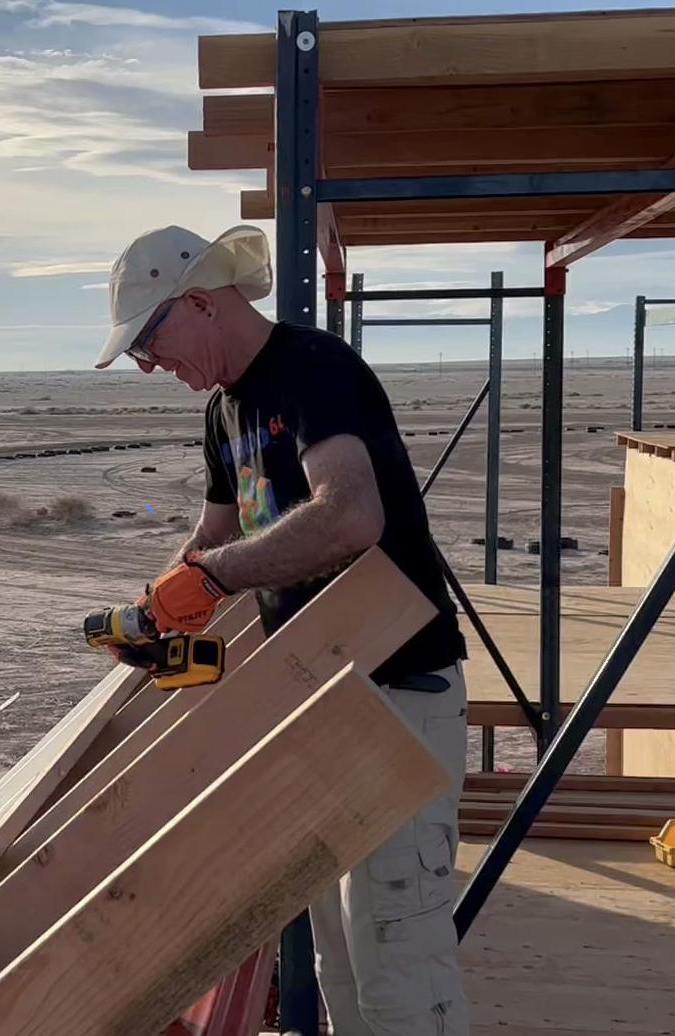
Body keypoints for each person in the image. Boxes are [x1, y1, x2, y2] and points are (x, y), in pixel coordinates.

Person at [95, 224, 470, 1036]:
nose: (148, 366)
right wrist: (156, 608)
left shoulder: (312, 371)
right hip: (318, 699)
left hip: (397, 694)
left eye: (149, 343)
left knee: (399, 967)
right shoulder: (224, 411)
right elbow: (210, 542)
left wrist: (216, 577)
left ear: (199, 302)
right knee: (340, 960)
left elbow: (350, 516)